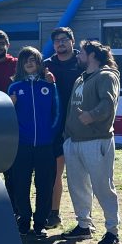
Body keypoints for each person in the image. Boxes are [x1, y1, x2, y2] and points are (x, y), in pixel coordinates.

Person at [61, 40, 121, 244]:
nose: (77, 55)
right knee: (77, 186)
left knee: (103, 187)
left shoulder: (106, 76)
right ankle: (83, 225)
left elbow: (108, 103)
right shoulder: (81, 78)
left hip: (97, 141)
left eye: (82, 52)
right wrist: (67, 135)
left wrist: (92, 116)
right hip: (74, 141)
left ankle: (112, 231)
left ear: (93, 55)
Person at [5, 47, 61, 239]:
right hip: (22, 145)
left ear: (39, 63)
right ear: (20, 64)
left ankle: (40, 223)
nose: (30, 63)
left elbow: (57, 112)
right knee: (21, 184)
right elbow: (7, 117)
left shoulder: (48, 85)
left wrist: (50, 135)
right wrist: (9, 105)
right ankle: (23, 221)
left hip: (45, 145)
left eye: (33, 60)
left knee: (45, 185)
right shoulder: (14, 87)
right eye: (26, 60)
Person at [44, 26, 82, 230]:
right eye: (57, 40)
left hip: (81, 125)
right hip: (56, 126)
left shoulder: (83, 62)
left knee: (81, 175)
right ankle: (53, 213)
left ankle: (85, 220)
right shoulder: (47, 66)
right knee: (54, 172)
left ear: (72, 41)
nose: (60, 43)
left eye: (64, 39)